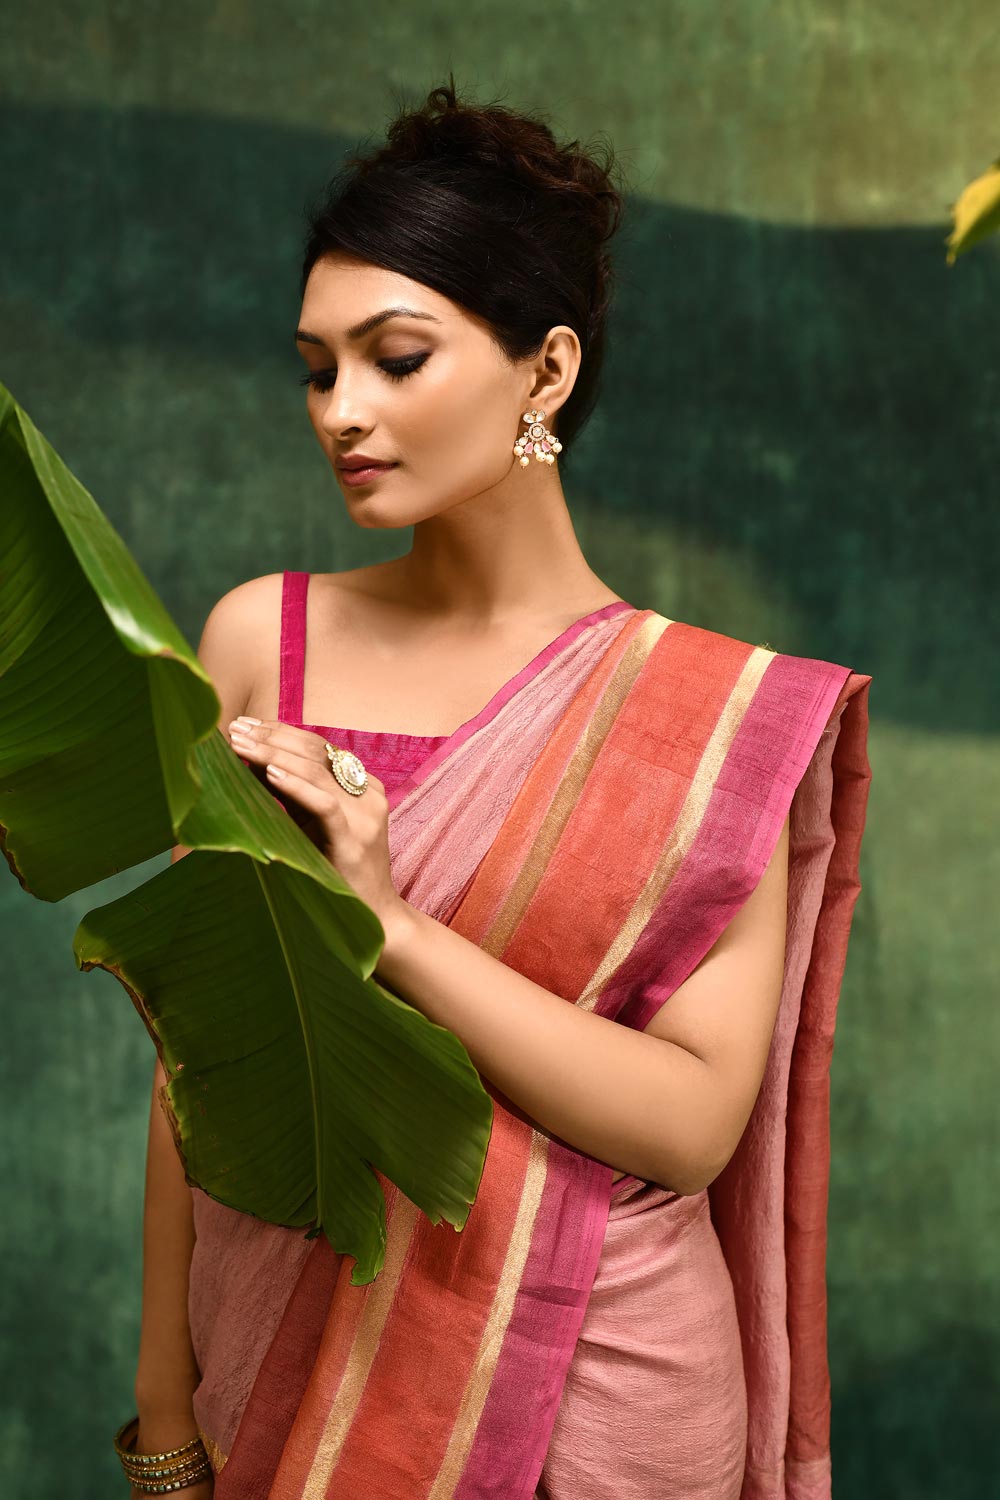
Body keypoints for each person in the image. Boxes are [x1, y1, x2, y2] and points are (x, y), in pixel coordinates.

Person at [123, 78, 872, 1500]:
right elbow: (196, 1069)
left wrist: (386, 925)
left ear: (546, 372)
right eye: (315, 366)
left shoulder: (710, 717)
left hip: (603, 1394)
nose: (342, 410)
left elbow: (692, 1122)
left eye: (396, 357)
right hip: (288, 1365)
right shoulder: (257, 642)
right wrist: (165, 1408)